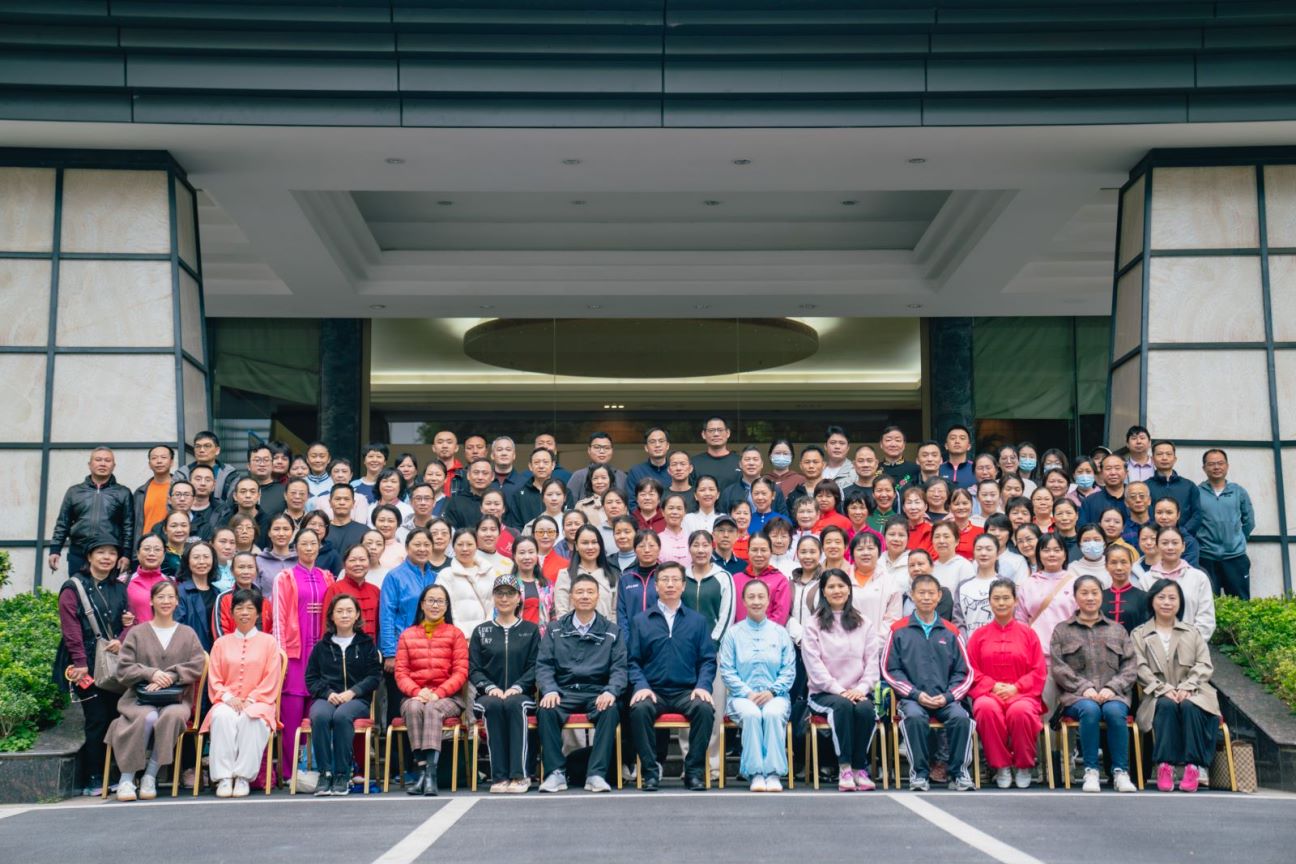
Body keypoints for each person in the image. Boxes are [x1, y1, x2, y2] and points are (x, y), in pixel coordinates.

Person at [627, 563, 717, 791]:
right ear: (656, 586)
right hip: (653, 691)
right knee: (639, 709)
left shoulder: (697, 621)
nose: (670, 584)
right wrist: (641, 686)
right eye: (665, 580)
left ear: (683, 586)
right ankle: (650, 772)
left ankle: (694, 772)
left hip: (686, 691)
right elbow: (633, 661)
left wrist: (703, 685)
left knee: (704, 709)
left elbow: (708, 659)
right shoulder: (641, 620)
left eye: (675, 580)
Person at [882, 572, 976, 792]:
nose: (926, 597)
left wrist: (948, 696)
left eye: (931, 593)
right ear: (912, 595)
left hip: (945, 698)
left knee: (961, 718)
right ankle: (919, 774)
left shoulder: (951, 631)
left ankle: (959, 773)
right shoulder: (898, 630)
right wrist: (915, 694)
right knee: (914, 717)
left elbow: (964, 672)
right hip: (912, 699)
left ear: (939, 596)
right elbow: (889, 670)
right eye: (921, 593)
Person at [536, 573, 627, 793]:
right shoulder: (555, 629)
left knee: (610, 710)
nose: (585, 596)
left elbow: (619, 669)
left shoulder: (612, 630)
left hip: (597, 692)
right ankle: (555, 773)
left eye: (590, 592)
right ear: (571, 597)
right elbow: (544, 665)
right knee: (546, 710)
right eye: (579, 592)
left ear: (598, 596)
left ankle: (596, 774)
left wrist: (611, 691)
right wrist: (549, 690)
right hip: (563, 691)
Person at [56, 537, 132, 796]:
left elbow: (128, 623)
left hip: (112, 664)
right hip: (85, 663)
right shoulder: (74, 587)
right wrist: (80, 663)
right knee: (96, 719)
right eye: (101, 552)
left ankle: (113, 774)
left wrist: (122, 639)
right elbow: (71, 629)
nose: (107, 557)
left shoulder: (119, 588)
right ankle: (93, 777)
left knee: (115, 717)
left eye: (112, 553)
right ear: (89, 557)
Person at [1051, 574, 1139, 793]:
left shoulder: (1117, 630)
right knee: (1089, 710)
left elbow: (1130, 666)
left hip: (1114, 694)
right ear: (1075, 597)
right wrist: (1084, 688)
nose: (1090, 598)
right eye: (1084, 593)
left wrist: (1112, 687)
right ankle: (1091, 770)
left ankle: (1120, 771)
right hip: (1076, 696)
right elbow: (1059, 667)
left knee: (1114, 711)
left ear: (1102, 596)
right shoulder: (1062, 630)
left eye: (1094, 593)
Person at [1133, 579, 1221, 794]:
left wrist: (1188, 686)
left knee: (1191, 706)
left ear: (1180, 603)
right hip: (1157, 693)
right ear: (1152, 601)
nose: (1167, 602)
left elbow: (1204, 664)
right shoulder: (1139, 634)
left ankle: (1193, 767)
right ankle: (1165, 765)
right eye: (1161, 597)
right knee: (1166, 705)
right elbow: (1138, 667)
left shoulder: (1192, 632)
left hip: (1195, 691)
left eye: (1172, 598)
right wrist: (1163, 689)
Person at [801, 569, 883, 791]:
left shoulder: (864, 623)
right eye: (831, 587)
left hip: (857, 692)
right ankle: (845, 768)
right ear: (823, 592)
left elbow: (872, 663)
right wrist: (840, 690)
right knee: (843, 706)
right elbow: (814, 666)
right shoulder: (813, 623)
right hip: (824, 693)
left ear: (849, 590)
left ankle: (859, 768)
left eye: (841, 586)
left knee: (866, 709)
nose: (836, 590)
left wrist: (862, 688)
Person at [203, 587, 283, 799]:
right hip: (226, 701)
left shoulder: (269, 642)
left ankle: (243, 777)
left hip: (260, 701)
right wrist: (229, 698)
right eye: (239, 608)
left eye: (250, 608)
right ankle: (224, 777)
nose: (244, 612)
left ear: (258, 613)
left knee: (252, 718)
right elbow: (215, 679)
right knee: (222, 717)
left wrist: (251, 699)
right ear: (231, 612)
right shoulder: (220, 644)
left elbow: (271, 678)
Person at [966, 579, 1046, 789]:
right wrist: (992, 686)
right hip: (989, 693)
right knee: (985, 709)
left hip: (1022, 694)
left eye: (1006, 598)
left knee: (1021, 712)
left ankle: (1023, 765)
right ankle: (1000, 766)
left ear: (1015, 601)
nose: (1001, 603)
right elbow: (971, 669)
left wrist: (1016, 687)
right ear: (989, 602)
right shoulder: (979, 635)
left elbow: (1038, 670)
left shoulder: (1028, 634)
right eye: (996, 598)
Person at [719, 580, 797, 792]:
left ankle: (773, 773)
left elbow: (789, 669)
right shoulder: (733, 634)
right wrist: (747, 693)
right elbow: (727, 670)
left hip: (776, 696)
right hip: (741, 698)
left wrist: (772, 691)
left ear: (768, 600)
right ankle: (755, 773)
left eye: (761, 597)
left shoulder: (780, 633)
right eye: (751, 597)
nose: (756, 601)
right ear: (743, 601)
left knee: (772, 713)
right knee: (752, 714)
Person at [303, 592, 382, 796]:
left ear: (357, 615)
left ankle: (342, 774)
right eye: (339, 611)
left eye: (349, 611)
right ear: (331, 616)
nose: (344, 615)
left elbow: (374, 676)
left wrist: (353, 692)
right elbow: (311, 678)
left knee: (342, 716)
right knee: (319, 715)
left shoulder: (366, 644)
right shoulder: (321, 647)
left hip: (357, 700)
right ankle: (325, 773)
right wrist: (328, 693)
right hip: (327, 698)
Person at [271, 527, 334, 779]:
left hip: (321, 655)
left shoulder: (327, 577)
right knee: (292, 715)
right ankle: (289, 772)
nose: (309, 548)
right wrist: (281, 657)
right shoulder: (285, 578)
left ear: (320, 547)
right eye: (304, 544)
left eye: (313, 543)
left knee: (317, 714)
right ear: (295, 548)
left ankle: (315, 769)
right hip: (295, 655)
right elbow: (278, 618)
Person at [469, 576, 542, 793]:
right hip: (488, 696)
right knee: (493, 705)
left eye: (510, 593)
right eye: (499, 593)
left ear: (519, 598)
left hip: (522, 696)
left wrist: (517, 687)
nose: (504, 598)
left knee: (513, 704)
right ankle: (499, 776)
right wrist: (490, 687)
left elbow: (536, 666)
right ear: (493, 597)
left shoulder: (530, 630)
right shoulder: (481, 631)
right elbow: (474, 668)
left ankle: (520, 775)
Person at [395, 584, 469, 796]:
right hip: (416, 695)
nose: (435, 605)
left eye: (440, 601)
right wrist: (417, 691)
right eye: (431, 600)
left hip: (448, 698)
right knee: (413, 707)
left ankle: (430, 775)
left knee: (432, 708)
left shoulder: (455, 634)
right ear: (422, 604)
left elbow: (461, 672)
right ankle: (423, 772)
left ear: (446, 606)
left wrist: (438, 693)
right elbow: (401, 672)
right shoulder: (408, 635)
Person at [49, 447, 134, 577]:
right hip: (78, 552)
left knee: (108, 589)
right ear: (90, 464)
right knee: (78, 587)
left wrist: (126, 554)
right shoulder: (74, 492)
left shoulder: (123, 492)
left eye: (107, 460)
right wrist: (55, 550)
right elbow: (63, 523)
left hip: (109, 554)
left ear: (113, 466)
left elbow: (128, 526)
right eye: (98, 460)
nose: (102, 463)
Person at [1137, 525, 1216, 640]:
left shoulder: (1199, 578)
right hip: (1156, 646)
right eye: (1164, 543)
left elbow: (1206, 618)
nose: (1170, 547)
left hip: (1192, 645)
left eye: (1175, 543)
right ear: (1157, 546)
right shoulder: (1146, 579)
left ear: (1183, 546)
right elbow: (1143, 617)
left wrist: (1191, 643)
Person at [1196, 449, 1255, 599]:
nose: (1216, 467)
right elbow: (1193, 521)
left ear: (1227, 466)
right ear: (1204, 468)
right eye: (1211, 464)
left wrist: (1237, 539)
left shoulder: (1238, 491)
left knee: (1240, 602)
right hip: (1206, 557)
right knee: (1207, 602)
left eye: (1220, 463)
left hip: (1235, 557)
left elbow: (1249, 521)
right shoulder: (1197, 492)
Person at [441, 528, 498, 638]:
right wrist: (463, 635)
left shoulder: (489, 572)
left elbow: (494, 604)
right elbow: (446, 609)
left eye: (469, 544)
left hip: (487, 636)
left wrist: (486, 631)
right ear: (453, 547)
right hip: (458, 637)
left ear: (477, 545)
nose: (465, 549)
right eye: (460, 544)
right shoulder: (446, 575)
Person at [846, 531, 902, 640]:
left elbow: (893, 619)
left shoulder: (890, 582)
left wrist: (875, 643)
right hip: (846, 643)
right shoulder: (843, 579)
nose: (866, 553)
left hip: (879, 644)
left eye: (871, 548)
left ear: (879, 552)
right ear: (852, 554)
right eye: (860, 549)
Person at [322, 543, 381, 641]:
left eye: (362, 560)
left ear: (369, 563)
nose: (358, 564)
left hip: (371, 648)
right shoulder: (335, 589)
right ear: (344, 564)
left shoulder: (375, 591)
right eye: (352, 560)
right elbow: (326, 625)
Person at [732, 533, 792, 626]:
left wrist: (762, 632)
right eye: (754, 550)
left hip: (770, 634)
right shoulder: (736, 579)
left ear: (771, 552)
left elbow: (780, 615)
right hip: (739, 633)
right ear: (747, 552)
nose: (759, 554)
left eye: (763, 550)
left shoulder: (780, 580)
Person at [1146, 440, 1202, 536]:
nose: (1164, 458)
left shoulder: (1189, 486)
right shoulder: (1145, 487)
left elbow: (1197, 514)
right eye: (1159, 454)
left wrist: (1182, 532)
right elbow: (1143, 514)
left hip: (1184, 538)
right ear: (1152, 459)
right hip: (1154, 538)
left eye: (1168, 454)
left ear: (1175, 459)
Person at [615, 529, 663, 638]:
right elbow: (621, 614)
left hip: (661, 639)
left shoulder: (666, 576)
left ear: (659, 548)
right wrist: (627, 641)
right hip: (633, 639)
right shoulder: (626, 578)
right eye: (641, 546)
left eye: (651, 546)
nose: (647, 550)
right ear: (635, 550)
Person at [954, 533, 1002, 636]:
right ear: (974, 553)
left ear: (997, 554)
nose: (983, 553)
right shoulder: (963, 586)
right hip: (970, 644)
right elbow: (958, 622)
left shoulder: (1005, 584)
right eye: (979, 549)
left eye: (989, 549)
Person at [175, 541, 218, 650]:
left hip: (216, 653)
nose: (201, 561)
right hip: (191, 653)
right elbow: (177, 628)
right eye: (196, 557)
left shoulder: (217, 593)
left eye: (206, 557)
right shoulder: (180, 592)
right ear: (187, 561)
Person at [566, 432, 629, 499]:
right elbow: (569, 503)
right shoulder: (578, 476)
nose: (602, 451)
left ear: (612, 451)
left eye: (607, 448)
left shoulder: (622, 476)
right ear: (589, 450)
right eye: (597, 447)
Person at [1102, 544, 1150, 633]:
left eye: (1123, 562)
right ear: (1106, 566)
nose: (1119, 568)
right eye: (1113, 562)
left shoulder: (1143, 597)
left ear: (1131, 565)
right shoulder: (1100, 597)